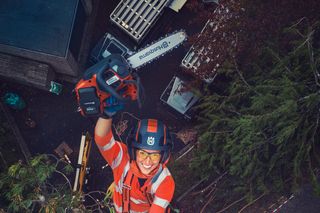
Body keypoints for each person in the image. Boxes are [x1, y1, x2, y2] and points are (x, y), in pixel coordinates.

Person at [94, 109, 175, 212]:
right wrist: (106, 114)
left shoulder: (165, 182)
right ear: (133, 152)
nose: (147, 161)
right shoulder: (121, 158)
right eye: (142, 153)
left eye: (155, 155)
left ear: (163, 157)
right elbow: (102, 139)